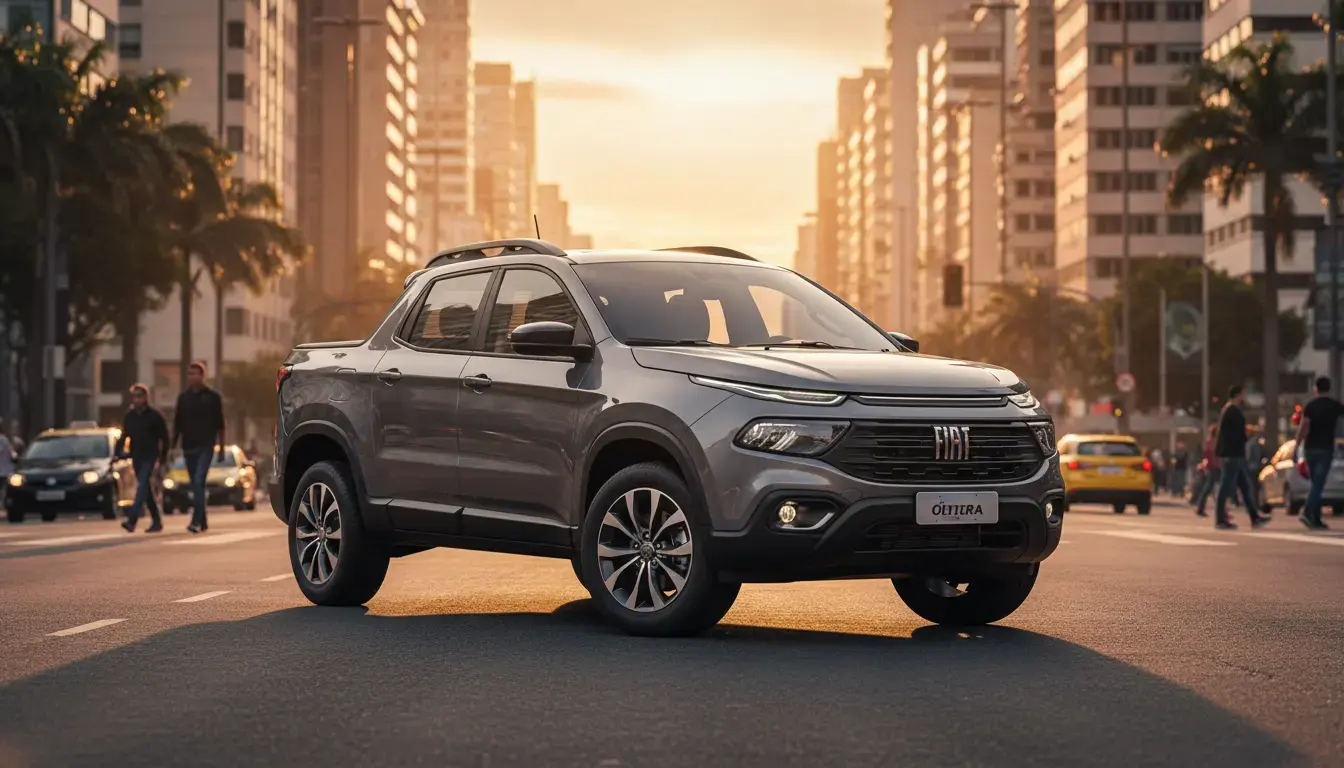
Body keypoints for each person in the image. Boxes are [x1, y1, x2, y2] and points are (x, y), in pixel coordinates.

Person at [171, 361, 225, 534]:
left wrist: (222, 448)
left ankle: (195, 520)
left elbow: (220, 424)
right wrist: (173, 447)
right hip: (189, 446)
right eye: (190, 373)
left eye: (196, 373)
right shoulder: (183, 397)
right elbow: (177, 423)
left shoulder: (213, 397)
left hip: (206, 445)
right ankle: (203, 520)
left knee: (199, 481)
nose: (193, 377)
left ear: (203, 376)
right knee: (195, 484)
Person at [1214, 384, 1269, 530]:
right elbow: (1238, 434)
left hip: (1231, 453)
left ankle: (1254, 516)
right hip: (1233, 454)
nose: (1244, 397)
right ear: (1238, 395)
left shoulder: (1228, 409)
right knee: (1226, 486)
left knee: (1244, 486)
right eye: (1243, 394)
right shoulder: (1234, 411)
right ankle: (1220, 519)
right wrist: (1249, 434)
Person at [119, 384, 169, 533]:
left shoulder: (155, 415)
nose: (137, 400)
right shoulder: (130, 416)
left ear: (146, 397)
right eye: (134, 396)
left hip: (150, 456)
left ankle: (132, 519)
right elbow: (125, 436)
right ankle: (157, 521)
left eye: (140, 396)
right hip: (136, 456)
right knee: (146, 489)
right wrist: (118, 452)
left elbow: (165, 438)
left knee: (142, 486)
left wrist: (163, 458)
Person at [1295, 376, 1342, 531]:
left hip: (1310, 449)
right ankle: (1308, 512)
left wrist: (1297, 444)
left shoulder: (1311, 406)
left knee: (1316, 484)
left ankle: (1315, 518)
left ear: (1316, 388)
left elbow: (1304, 427)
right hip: (1326, 449)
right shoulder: (1335, 406)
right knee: (1318, 485)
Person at [1193, 425, 1221, 517]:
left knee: (1209, 489)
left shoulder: (1209, 442)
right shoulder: (1214, 442)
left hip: (1212, 467)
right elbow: (1213, 456)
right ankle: (1222, 511)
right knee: (1218, 489)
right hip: (1215, 467)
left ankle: (1200, 508)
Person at [0, 421, 14, 510]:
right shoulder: (5, 439)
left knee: (3, 490)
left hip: (2, 470)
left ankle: (3, 504)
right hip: (6, 470)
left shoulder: (2, 439)